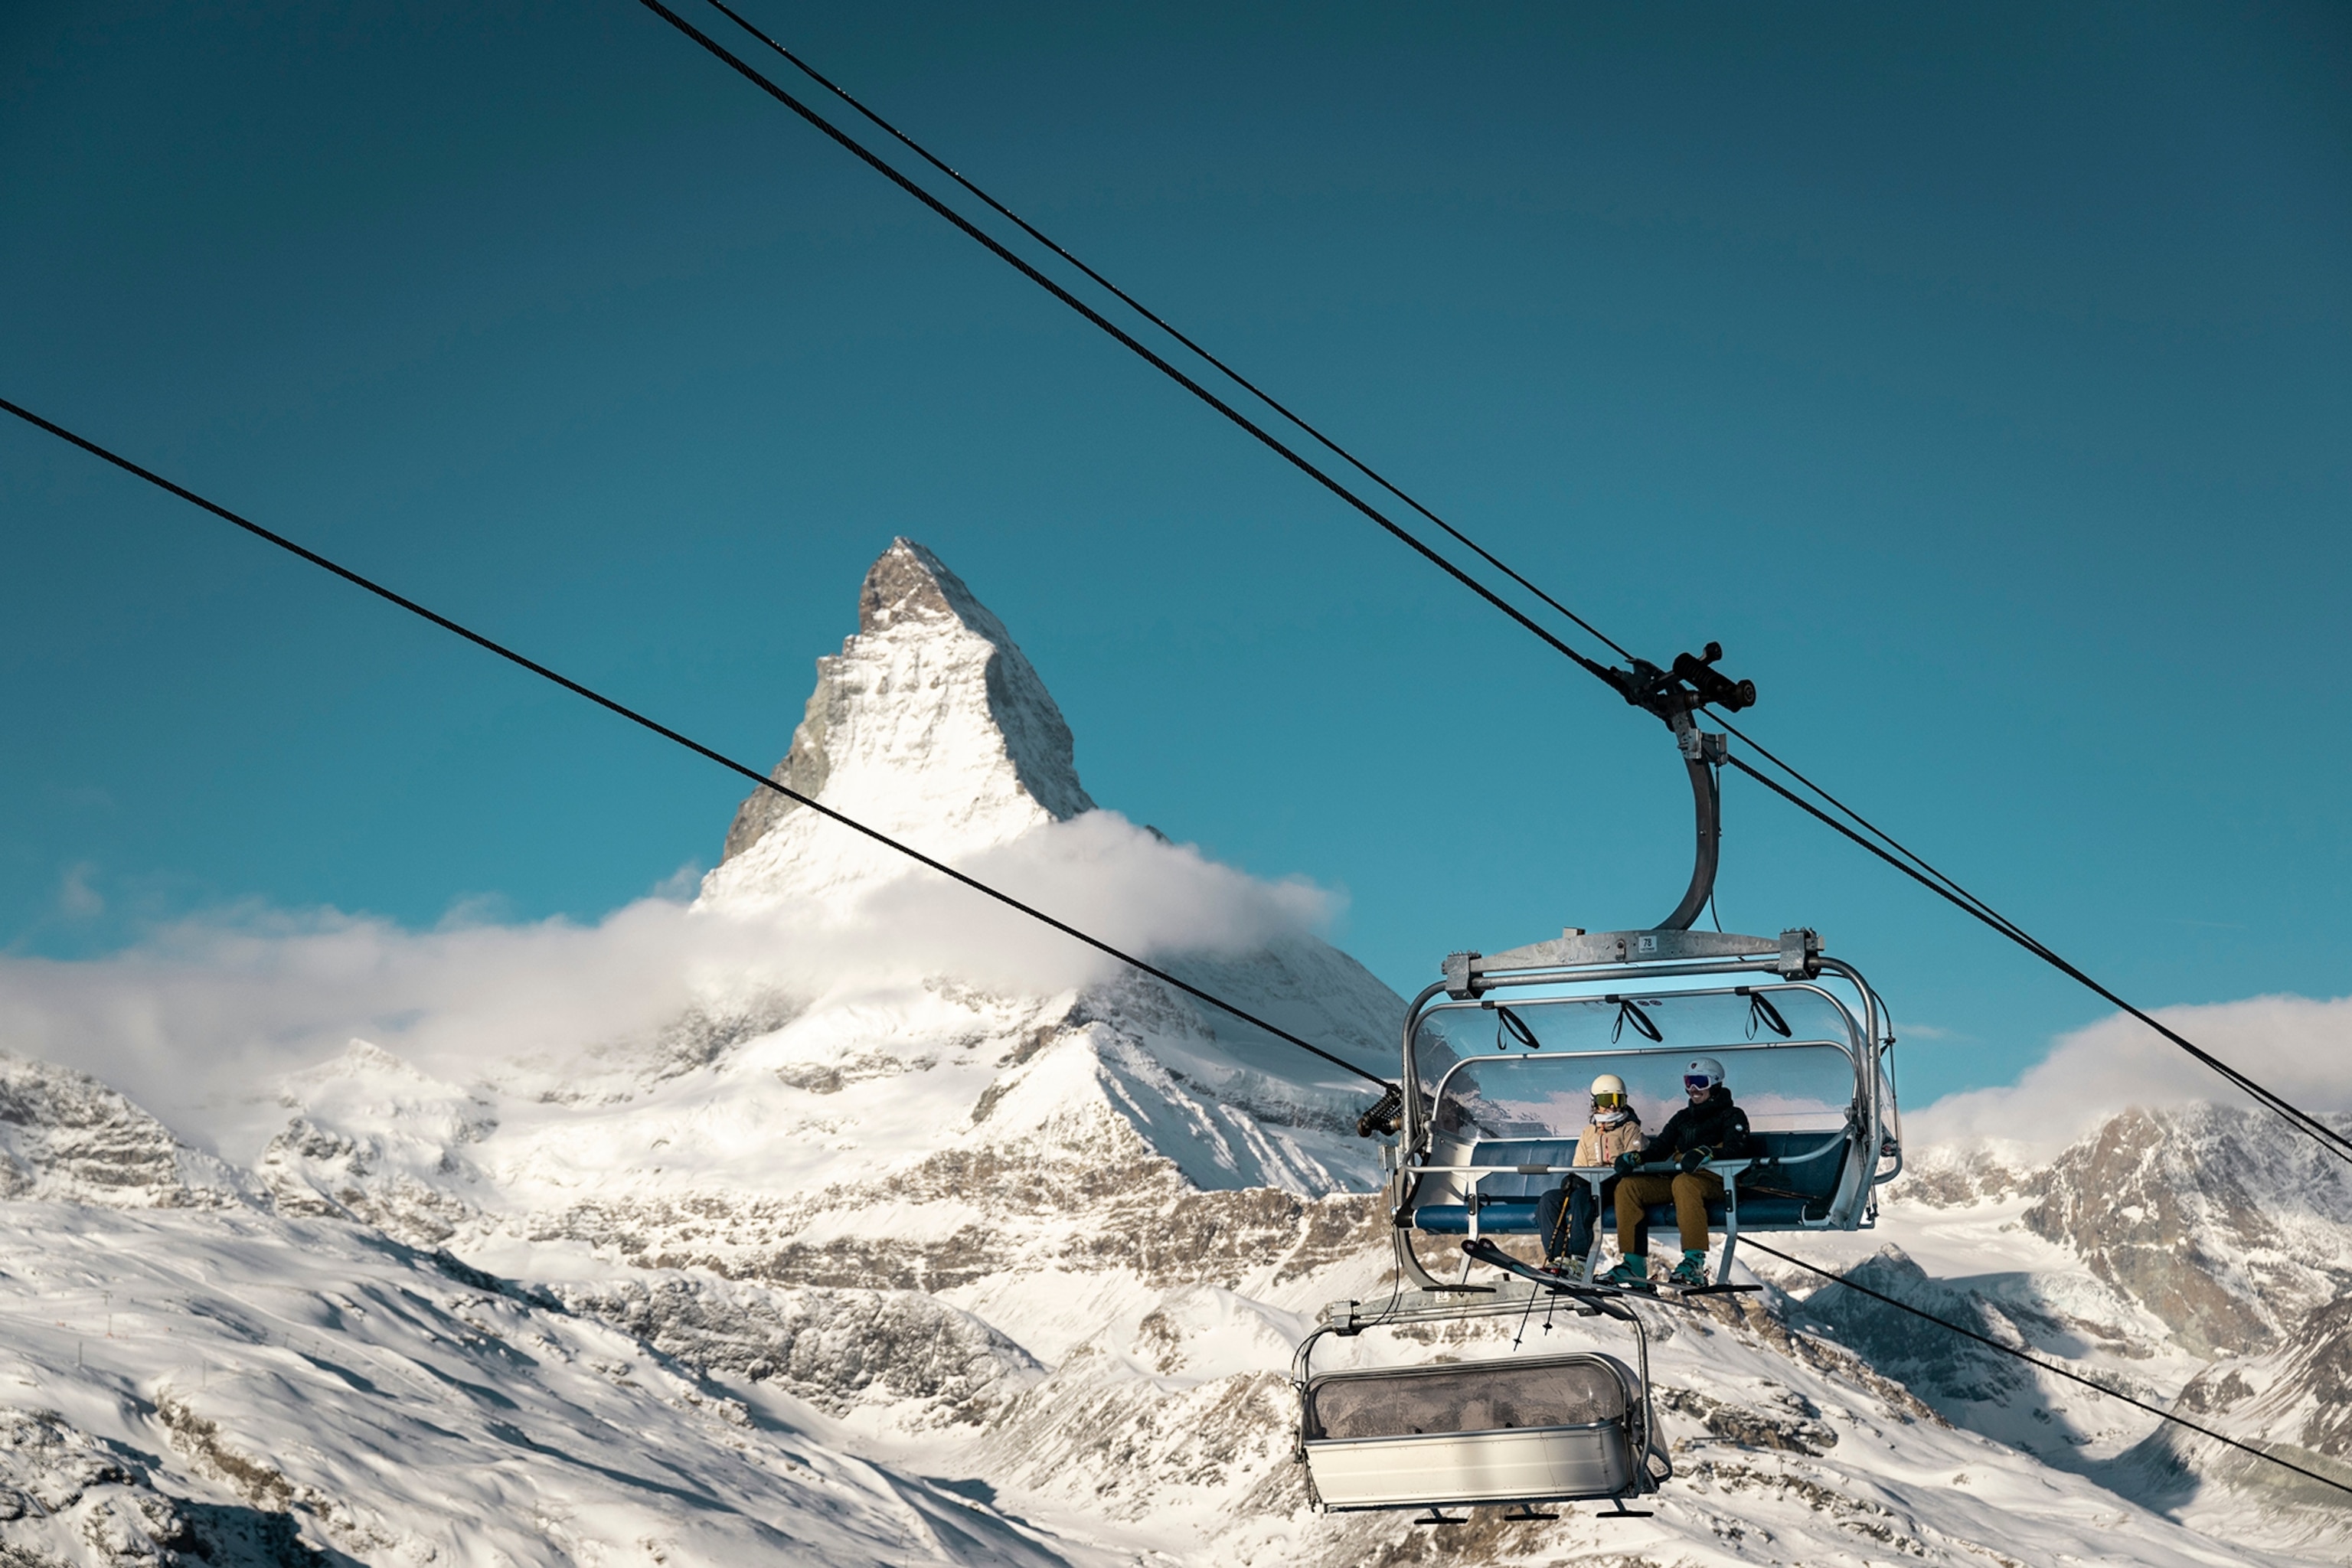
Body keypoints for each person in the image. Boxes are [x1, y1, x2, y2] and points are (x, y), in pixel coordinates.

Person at [1601, 1057, 1752, 1289]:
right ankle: (1634, 1264)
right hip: (1680, 1180)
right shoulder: (1683, 1118)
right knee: (1629, 1187)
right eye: (1689, 1082)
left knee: (1684, 1183)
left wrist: (1708, 1153)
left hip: (1719, 1181)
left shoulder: (1732, 1115)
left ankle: (1694, 1263)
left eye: (1699, 1082)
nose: (1693, 1089)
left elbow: (1737, 1148)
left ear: (1715, 1084)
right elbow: (1661, 1148)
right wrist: (1637, 1157)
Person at [1535, 1074, 1645, 1266]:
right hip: (1589, 1183)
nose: (1612, 1106)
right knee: (1549, 1200)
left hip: (1615, 1185)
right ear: (1595, 1103)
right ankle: (1558, 1257)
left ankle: (1579, 1259)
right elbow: (1580, 1165)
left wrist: (1611, 1175)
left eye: (1618, 1100)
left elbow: (1634, 1160)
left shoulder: (1630, 1129)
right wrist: (1573, 1179)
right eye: (1606, 1100)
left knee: (1581, 1198)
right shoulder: (1589, 1132)